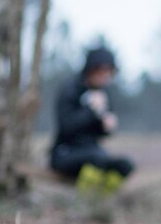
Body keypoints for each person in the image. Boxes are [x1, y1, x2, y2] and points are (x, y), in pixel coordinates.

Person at [50, 47, 134, 195]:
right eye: (101, 71)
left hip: (93, 151)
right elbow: (66, 127)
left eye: (109, 72)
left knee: (125, 165)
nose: (105, 76)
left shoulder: (103, 93)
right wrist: (91, 112)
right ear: (91, 69)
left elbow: (100, 133)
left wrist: (106, 126)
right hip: (65, 152)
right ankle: (86, 199)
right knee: (96, 158)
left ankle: (104, 197)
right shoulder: (71, 89)